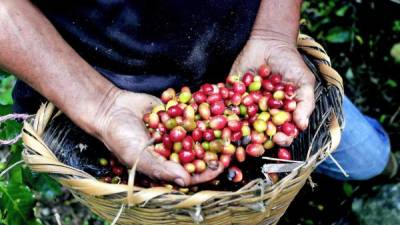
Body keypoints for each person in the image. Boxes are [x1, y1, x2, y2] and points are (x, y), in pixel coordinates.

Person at [0, 0, 393, 187]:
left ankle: (385, 171)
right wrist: (98, 106)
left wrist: (275, 27)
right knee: (167, 198)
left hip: (253, 51)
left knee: (367, 157)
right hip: (103, 91)